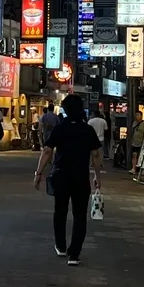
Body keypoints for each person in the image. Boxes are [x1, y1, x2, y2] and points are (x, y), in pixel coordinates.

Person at [33, 94, 102, 266]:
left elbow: (47, 151)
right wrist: (97, 176)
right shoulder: (87, 130)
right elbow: (95, 154)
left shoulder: (60, 128)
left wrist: (38, 173)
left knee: (60, 212)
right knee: (80, 216)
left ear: (65, 109)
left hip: (62, 176)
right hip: (80, 177)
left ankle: (61, 246)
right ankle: (74, 254)